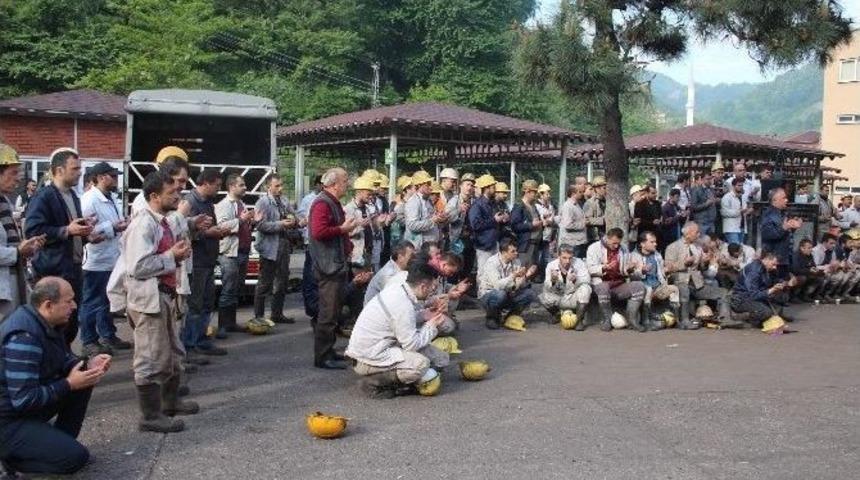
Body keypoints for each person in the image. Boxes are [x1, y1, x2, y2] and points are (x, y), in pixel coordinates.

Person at [0, 277, 110, 475]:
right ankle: (15, 462)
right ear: (48, 305)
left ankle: (54, 445)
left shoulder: (47, 322)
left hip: (20, 412)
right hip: (8, 421)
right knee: (75, 459)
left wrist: (87, 365)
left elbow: (62, 360)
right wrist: (68, 384)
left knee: (84, 378)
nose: (74, 306)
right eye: (68, 301)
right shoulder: (24, 338)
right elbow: (24, 399)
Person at [121, 172, 197, 433]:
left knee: (172, 353)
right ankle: (150, 416)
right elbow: (137, 266)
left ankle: (170, 401)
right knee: (150, 357)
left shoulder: (161, 222)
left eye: (177, 191)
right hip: (147, 300)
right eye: (171, 192)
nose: (177, 195)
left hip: (163, 295)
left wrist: (175, 255)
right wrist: (171, 256)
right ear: (154, 196)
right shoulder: (143, 224)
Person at [346, 261, 450, 399]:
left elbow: (400, 321)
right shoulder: (402, 303)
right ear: (423, 286)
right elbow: (411, 344)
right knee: (421, 364)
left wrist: (424, 315)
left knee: (441, 358)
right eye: (432, 288)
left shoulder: (400, 289)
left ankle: (410, 379)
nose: (432, 292)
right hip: (367, 359)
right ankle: (375, 383)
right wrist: (432, 325)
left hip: (377, 348)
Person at [25, 148, 94, 346]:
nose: (80, 172)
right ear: (59, 170)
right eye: (75, 168)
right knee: (54, 323)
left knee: (71, 322)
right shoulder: (44, 196)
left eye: (80, 168)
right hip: (53, 271)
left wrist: (87, 233)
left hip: (72, 269)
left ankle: (64, 360)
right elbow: (33, 231)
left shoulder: (72, 195)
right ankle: (54, 365)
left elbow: (72, 229)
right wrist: (67, 231)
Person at [79, 162, 131, 357]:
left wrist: (121, 225)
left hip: (111, 258)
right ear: (101, 177)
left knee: (107, 300)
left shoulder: (110, 199)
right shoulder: (89, 200)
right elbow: (85, 231)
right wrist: (112, 227)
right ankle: (89, 340)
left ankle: (108, 335)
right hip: (96, 260)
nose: (116, 179)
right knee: (92, 302)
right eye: (113, 176)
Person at [309, 168, 355, 370]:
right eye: (345, 181)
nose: (348, 184)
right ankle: (322, 357)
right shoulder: (322, 203)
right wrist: (343, 230)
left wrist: (347, 243)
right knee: (327, 313)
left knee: (334, 311)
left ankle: (328, 351)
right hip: (328, 266)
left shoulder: (331, 202)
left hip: (336, 264)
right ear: (334, 183)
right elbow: (318, 232)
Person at [183, 170, 230, 356]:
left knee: (207, 303)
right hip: (197, 262)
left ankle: (202, 340)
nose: (219, 189)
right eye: (217, 185)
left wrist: (217, 231)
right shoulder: (189, 203)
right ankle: (190, 344)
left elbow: (206, 228)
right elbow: (182, 232)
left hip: (208, 260)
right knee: (195, 305)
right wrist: (208, 233)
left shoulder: (207, 202)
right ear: (206, 183)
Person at [0, 145, 44, 321]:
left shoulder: (4, 202)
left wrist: (27, 248)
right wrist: (18, 252)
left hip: (11, 283)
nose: (18, 179)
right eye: (13, 172)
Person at [663, 222, 732, 329]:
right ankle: (685, 321)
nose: (699, 235)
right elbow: (668, 269)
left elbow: (702, 268)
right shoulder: (672, 247)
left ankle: (725, 319)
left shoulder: (697, 247)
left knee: (723, 292)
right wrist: (684, 263)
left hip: (697, 284)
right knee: (684, 289)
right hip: (680, 282)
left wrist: (706, 262)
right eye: (696, 232)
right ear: (688, 233)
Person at [252, 175, 298, 325]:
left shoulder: (284, 200)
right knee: (265, 283)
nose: (281, 188)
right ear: (268, 187)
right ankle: (258, 317)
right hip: (269, 248)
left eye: (281, 185)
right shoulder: (262, 203)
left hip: (283, 245)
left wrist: (295, 221)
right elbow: (260, 226)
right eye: (277, 186)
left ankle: (277, 314)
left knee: (282, 281)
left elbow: (293, 215)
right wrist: (281, 224)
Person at [214, 174, 255, 337]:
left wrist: (251, 221)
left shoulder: (240, 203)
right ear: (231, 187)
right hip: (230, 253)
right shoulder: (223, 205)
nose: (245, 188)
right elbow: (221, 226)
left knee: (237, 288)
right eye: (242, 185)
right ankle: (223, 326)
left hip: (242, 251)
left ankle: (231, 323)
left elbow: (242, 223)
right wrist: (241, 219)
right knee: (228, 289)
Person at [585, 228, 646, 331]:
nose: (616, 246)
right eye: (614, 243)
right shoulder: (593, 248)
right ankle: (607, 320)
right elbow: (589, 269)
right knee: (604, 287)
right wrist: (603, 267)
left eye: (618, 243)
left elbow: (625, 271)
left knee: (639, 286)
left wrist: (630, 269)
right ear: (607, 238)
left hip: (618, 284)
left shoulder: (624, 249)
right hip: (601, 284)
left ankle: (632, 320)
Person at [477, 236, 537, 330]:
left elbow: (517, 286)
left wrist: (526, 276)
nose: (516, 253)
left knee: (530, 294)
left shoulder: (516, 262)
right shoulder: (492, 263)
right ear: (504, 253)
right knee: (501, 294)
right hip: (489, 294)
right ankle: (492, 318)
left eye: (516, 250)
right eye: (513, 251)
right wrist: (513, 276)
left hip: (508, 292)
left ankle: (509, 317)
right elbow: (497, 285)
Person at [629, 231, 681, 330]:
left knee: (674, 289)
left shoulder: (657, 255)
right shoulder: (634, 256)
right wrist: (642, 271)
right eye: (652, 242)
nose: (655, 244)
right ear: (642, 244)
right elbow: (632, 276)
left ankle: (676, 319)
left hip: (657, 287)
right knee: (648, 290)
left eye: (655, 242)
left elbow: (661, 272)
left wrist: (668, 270)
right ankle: (646, 321)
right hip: (643, 288)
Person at [731, 251, 792, 328]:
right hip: (741, 298)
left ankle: (763, 316)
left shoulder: (769, 268)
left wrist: (786, 283)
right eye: (773, 264)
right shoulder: (754, 272)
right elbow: (753, 294)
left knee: (781, 299)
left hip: (757, 295)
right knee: (766, 313)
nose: (775, 267)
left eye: (776, 265)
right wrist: (771, 290)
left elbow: (775, 280)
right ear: (766, 260)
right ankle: (742, 316)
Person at [538, 244, 591, 328]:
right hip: (560, 296)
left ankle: (579, 320)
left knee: (586, 288)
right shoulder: (551, 265)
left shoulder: (580, 263)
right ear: (558, 256)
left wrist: (575, 280)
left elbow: (587, 280)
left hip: (575, 295)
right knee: (543, 295)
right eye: (564, 258)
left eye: (570, 258)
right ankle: (557, 314)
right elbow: (547, 286)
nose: (567, 261)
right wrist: (553, 280)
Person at [761, 188, 802, 279]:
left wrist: (793, 227)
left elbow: (785, 232)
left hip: (784, 257)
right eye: (783, 198)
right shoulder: (768, 215)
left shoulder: (782, 213)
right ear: (775, 200)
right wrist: (785, 227)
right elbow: (767, 234)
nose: (786, 200)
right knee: (776, 285)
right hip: (774, 259)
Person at [298, 174, 323, 325]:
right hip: (311, 241)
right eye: (321, 184)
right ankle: (312, 309)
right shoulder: (309, 199)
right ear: (316, 185)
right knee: (310, 277)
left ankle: (317, 309)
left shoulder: (326, 199)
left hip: (320, 244)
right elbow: (302, 217)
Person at [468, 174, 505, 271]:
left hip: (493, 243)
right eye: (493, 187)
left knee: (494, 271)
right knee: (483, 273)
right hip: (484, 246)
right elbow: (475, 225)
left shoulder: (492, 203)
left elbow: (495, 219)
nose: (495, 189)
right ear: (487, 188)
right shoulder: (477, 205)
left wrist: (503, 219)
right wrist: (494, 220)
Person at [364, 241, 416, 305]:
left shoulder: (399, 270)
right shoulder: (388, 274)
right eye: (412, 256)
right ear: (400, 257)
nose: (414, 260)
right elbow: (397, 300)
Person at [343, 176, 379, 269]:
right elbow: (345, 232)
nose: (371, 197)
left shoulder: (367, 209)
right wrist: (359, 226)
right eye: (368, 194)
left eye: (372, 195)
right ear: (359, 192)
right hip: (355, 255)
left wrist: (378, 224)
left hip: (367, 252)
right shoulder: (349, 209)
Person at [404, 171, 444, 249]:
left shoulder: (428, 200)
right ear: (419, 185)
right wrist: (432, 221)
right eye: (428, 185)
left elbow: (431, 218)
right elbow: (412, 225)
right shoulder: (414, 201)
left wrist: (439, 218)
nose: (431, 188)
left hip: (430, 246)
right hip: (419, 247)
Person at [510, 180, 543, 269]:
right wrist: (531, 225)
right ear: (527, 191)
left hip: (536, 243)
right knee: (523, 269)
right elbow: (514, 226)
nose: (536, 194)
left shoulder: (533, 206)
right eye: (534, 192)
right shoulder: (519, 206)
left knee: (532, 270)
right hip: (525, 245)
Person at [559, 183, 588, 258]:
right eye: (580, 192)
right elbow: (568, 225)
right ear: (573, 194)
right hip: (572, 243)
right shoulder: (568, 206)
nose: (582, 194)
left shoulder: (576, 205)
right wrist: (583, 224)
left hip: (578, 242)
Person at [721, 177, 752, 246]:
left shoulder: (743, 197)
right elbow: (724, 212)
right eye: (739, 185)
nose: (741, 187)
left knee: (741, 249)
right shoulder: (727, 197)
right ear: (733, 186)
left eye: (742, 185)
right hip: (731, 228)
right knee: (735, 250)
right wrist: (739, 212)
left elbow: (744, 211)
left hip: (742, 227)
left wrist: (748, 211)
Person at [791, 238, 824, 303]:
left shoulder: (809, 256)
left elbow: (813, 265)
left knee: (819, 278)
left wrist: (815, 270)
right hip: (794, 275)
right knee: (803, 278)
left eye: (811, 247)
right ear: (802, 248)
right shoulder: (795, 256)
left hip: (806, 274)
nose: (811, 250)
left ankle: (806, 295)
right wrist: (809, 270)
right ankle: (793, 296)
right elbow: (795, 270)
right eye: (809, 248)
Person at [535, 183, 557, 280]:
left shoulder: (550, 206)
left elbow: (551, 220)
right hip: (540, 235)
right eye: (547, 193)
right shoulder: (537, 206)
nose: (549, 195)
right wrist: (547, 220)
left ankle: (543, 275)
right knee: (539, 256)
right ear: (541, 194)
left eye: (549, 193)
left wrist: (548, 220)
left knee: (545, 256)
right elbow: (542, 220)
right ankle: (538, 275)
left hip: (548, 235)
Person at [689, 172, 718, 237]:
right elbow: (693, 207)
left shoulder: (712, 190)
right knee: (702, 243)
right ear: (702, 180)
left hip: (711, 222)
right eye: (707, 179)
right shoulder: (696, 190)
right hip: (701, 223)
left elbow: (712, 202)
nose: (709, 181)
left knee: (711, 243)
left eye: (710, 179)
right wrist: (706, 204)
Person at [583, 176, 607, 243]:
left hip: (606, 235)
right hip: (595, 238)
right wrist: (603, 220)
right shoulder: (590, 203)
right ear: (597, 189)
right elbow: (587, 220)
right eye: (604, 188)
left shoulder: (607, 201)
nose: (606, 190)